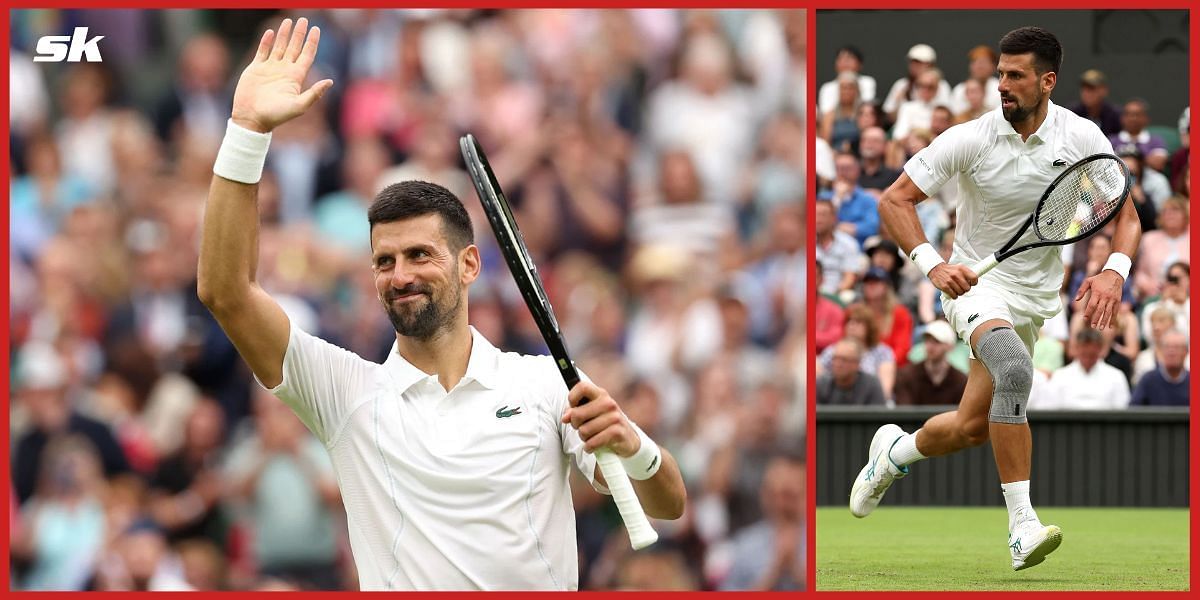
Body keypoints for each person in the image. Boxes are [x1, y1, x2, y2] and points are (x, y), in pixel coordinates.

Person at [196, 19, 685, 591]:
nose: (400, 275)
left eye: (420, 255)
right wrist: (247, 131)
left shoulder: (543, 385)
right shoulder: (346, 394)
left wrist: (634, 444)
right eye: (384, 262)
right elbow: (225, 292)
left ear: (470, 265)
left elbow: (668, 501)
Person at [856, 27, 1141, 572]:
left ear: (1047, 81)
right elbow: (895, 200)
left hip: (1033, 297)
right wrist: (933, 265)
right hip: (975, 286)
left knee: (969, 426)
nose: (1002, 86)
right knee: (1013, 368)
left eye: (1015, 76)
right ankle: (1022, 526)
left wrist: (1114, 271)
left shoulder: (1081, 137)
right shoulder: (971, 137)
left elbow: (1126, 215)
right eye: (1000, 75)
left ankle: (892, 455)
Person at [1045, 328, 1131, 409]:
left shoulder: (1116, 376)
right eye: (1084, 354)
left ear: (1100, 350)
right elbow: (1051, 407)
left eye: (1092, 355)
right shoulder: (1060, 376)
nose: (1087, 359)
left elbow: (1121, 409)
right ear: (1077, 348)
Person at [893, 320, 968, 406]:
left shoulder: (960, 380)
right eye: (927, 340)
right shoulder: (906, 375)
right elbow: (903, 411)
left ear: (949, 346)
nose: (930, 346)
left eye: (936, 341)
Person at [816, 339, 886, 406]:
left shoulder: (871, 385)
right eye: (835, 358)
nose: (838, 364)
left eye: (844, 360)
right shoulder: (821, 384)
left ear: (857, 363)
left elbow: (878, 416)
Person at [1130, 330, 1189, 407]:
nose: (1171, 352)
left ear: (1186, 352)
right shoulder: (1148, 380)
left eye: (1177, 347)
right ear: (1161, 351)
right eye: (1167, 347)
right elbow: (1133, 411)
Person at [1109, 99, 1169, 173]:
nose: (1132, 118)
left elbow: (1158, 163)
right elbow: (1106, 163)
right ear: (1122, 118)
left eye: (1137, 115)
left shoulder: (1156, 141)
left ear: (1146, 118)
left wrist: (1133, 160)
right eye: (1128, 114)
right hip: (1118, 177)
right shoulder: (1112, 140)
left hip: (1148, 178)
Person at [817, 45, 877, 116]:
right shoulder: (827, 88)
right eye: (841, 59)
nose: (845, 63)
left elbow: (866, 109)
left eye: (849, 59)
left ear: (860, 64)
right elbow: (825, 113)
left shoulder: (867, 82)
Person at [1069, 69, 1122, 137]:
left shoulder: (1116, 116)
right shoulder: (1072, 113)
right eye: (1084, 88)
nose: (1086, 93)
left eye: (1091, 88)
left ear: (1104, 90)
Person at [950, 45, 1000, 116]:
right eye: (976, 62)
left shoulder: (1000, 88)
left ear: (993, 66)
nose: (980, 66)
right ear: (970, 66)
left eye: (984, 63)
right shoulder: (959, 90)